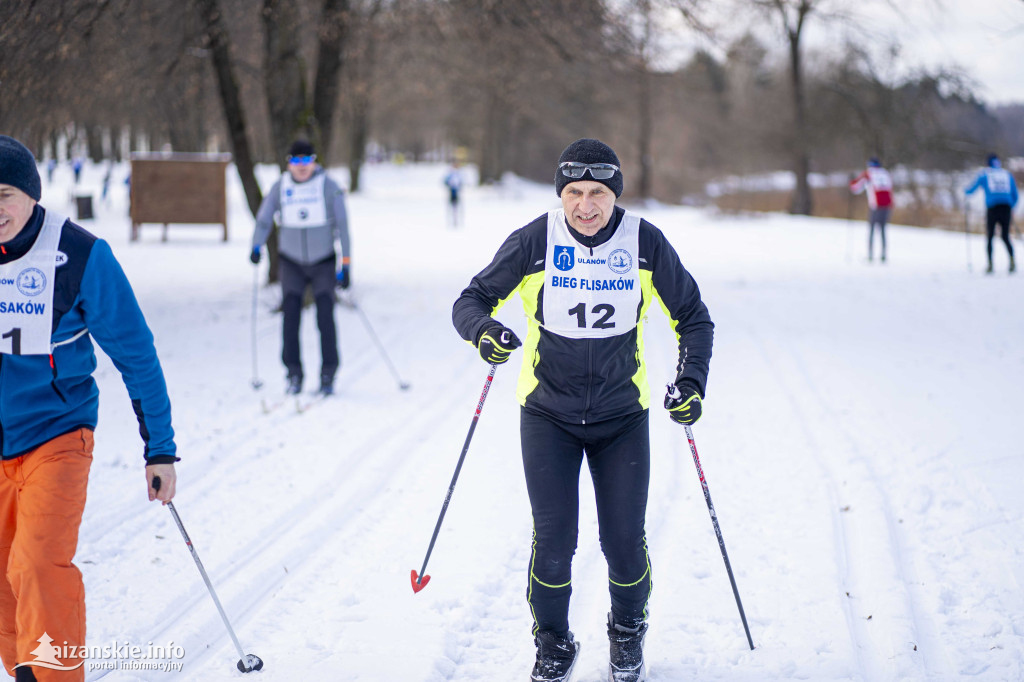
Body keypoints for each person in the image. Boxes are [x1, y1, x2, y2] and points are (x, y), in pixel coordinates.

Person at [452, 138, 714, 682]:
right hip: (548, 415)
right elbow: (470, 300)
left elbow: (693, 318)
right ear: (561, 194)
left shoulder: (644, 243)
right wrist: (485, 332)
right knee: (553, 543)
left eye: (598, 192)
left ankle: (626, 635)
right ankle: (553, 644)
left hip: (622, 417)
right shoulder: (534, 242)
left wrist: (690, 382)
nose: (586, 205)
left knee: (623, 541)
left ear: (615, 193)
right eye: (574, 192)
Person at [0, 135, 177, 681]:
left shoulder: (79, 255)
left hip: (57, 435)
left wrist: (160, 450)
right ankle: (25, 668)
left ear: (30, 194)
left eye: (3, 194)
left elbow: (136, 353)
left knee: (37, 564)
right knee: (5, 580)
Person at [250, 139, 351, 395]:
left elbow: (343, 226)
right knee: (291, 317)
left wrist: (346, 263)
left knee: (325, 316)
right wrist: (256, 246)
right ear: (289, 164)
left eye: (307, 160)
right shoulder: (280, 186)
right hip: (291, 261)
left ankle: (328, 373)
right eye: (296, 161)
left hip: (323, 261)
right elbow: (264, 219)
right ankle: (293, 373)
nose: (302, 166)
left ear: (315, 161)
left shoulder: (329, 186)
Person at [965, 153, 1018, 274]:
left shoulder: (985, 174)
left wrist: (966, 192)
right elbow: (1015, 195)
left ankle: (990, 264)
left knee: (990, 236)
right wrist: (1011, 207)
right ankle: (1012, 261)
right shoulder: (1007, 174)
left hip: (993, 208)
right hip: (1006, 208)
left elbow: (972, 189)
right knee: (1005, 236)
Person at [849, 157, 893, 263]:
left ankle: (870, 255)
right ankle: (883, 254)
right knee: (882, 230)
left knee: (872, 229)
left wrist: (851, 181)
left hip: (876, 206)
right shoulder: (885, 173)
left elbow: (855, 188)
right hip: (887, 205)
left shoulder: (869, 173)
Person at [443, 162, 464, 228]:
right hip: (451, 192)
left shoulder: (459, 174)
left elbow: (461, 182)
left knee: (456, 206)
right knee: (452, 206)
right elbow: (445, 182)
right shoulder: (450, 174)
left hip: (457, 192)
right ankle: (452, 220)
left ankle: (456, 220)